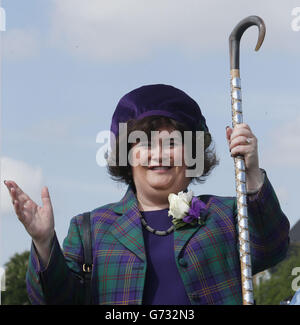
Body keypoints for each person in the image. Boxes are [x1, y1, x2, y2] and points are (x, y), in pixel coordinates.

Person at [5, 84, 289, 305]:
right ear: (127, 156)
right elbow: (54, 300)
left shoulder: (226, 216)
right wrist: (43, 242)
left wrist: (251, 172)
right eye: (144, 143)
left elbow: (273, 247)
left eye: (173, 143)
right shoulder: (89, 229)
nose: (159, 155)